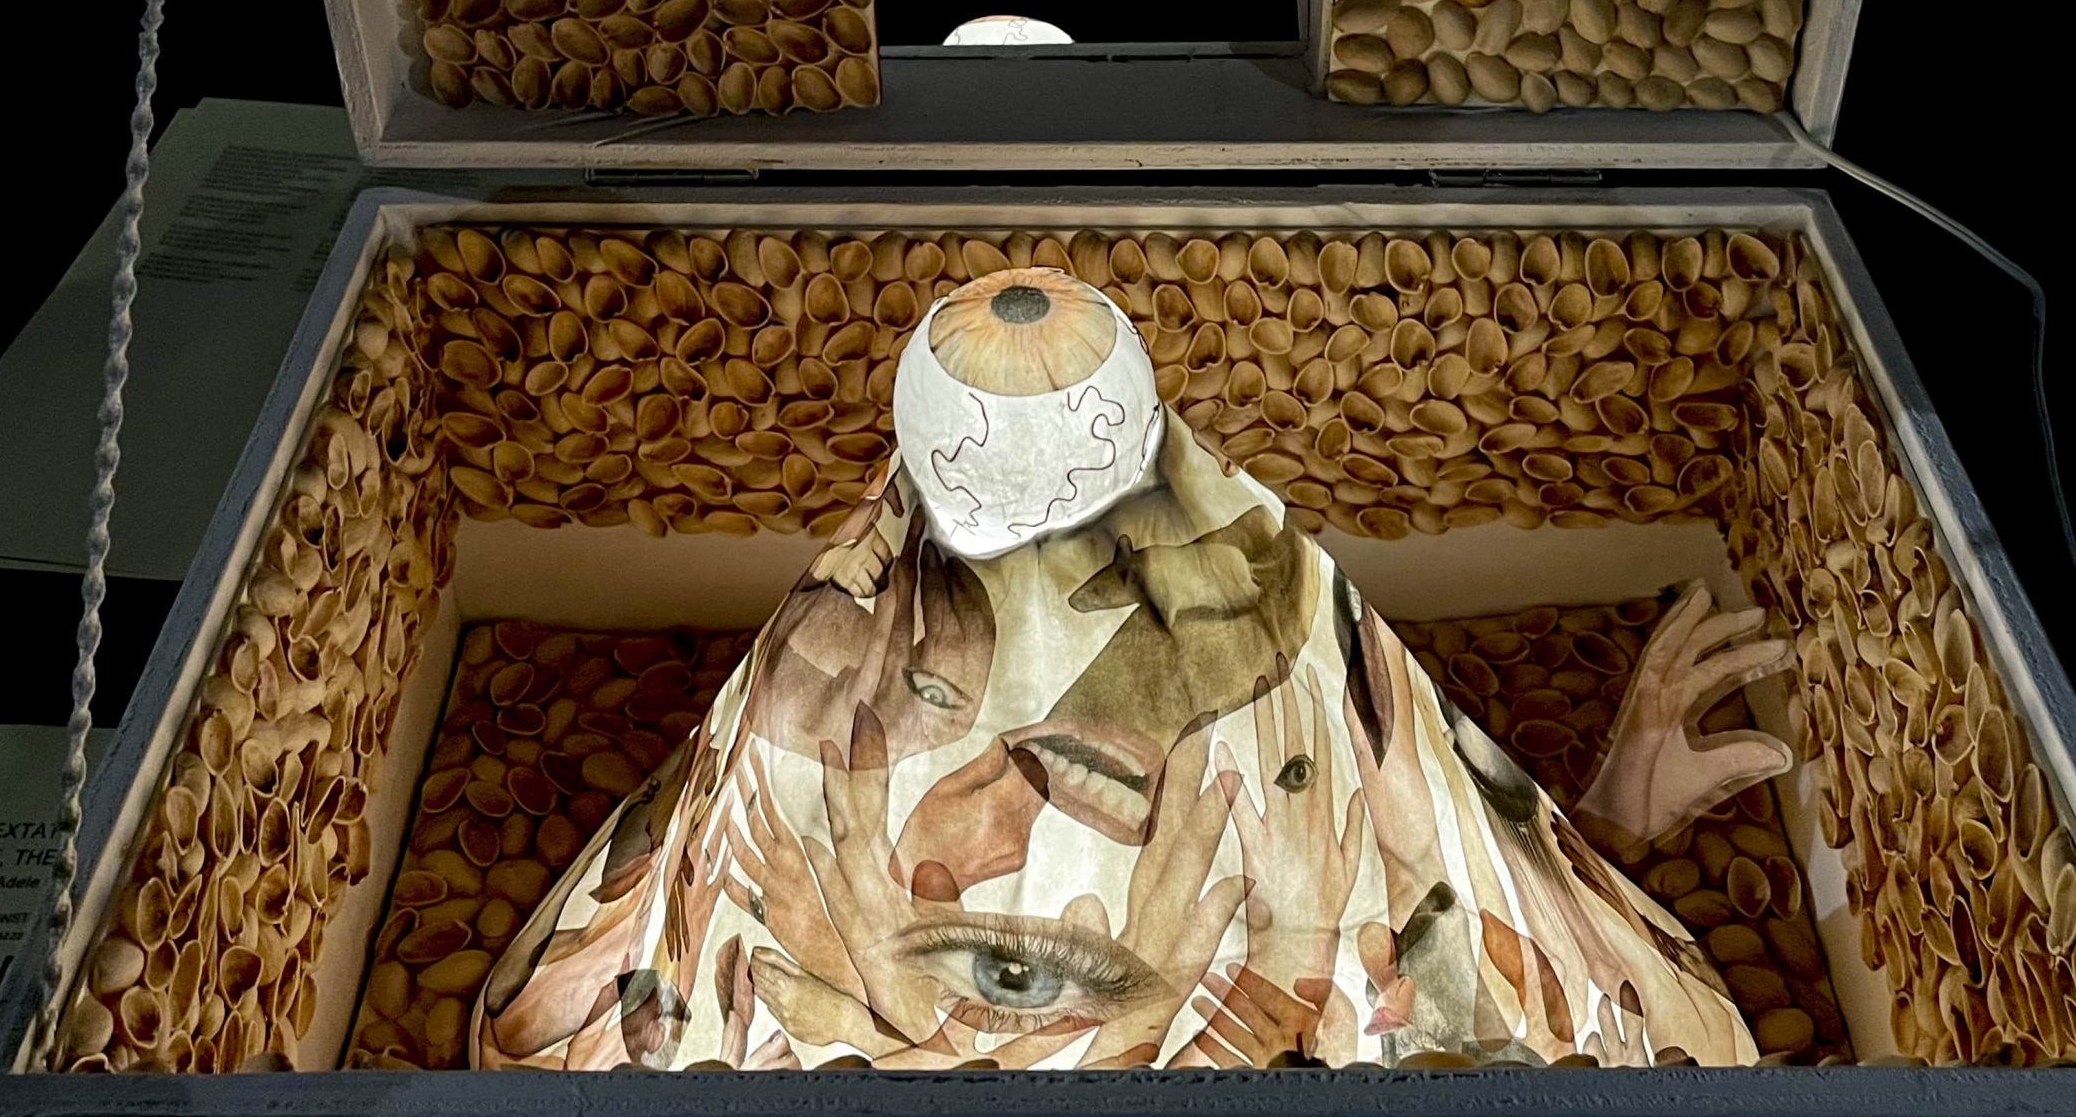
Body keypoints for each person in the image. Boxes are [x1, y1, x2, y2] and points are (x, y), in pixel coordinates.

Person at [474, 268, 1791, 1070]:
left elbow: (1438, 917)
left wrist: (1589, 841)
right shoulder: (805, 723)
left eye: (1091, 773)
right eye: (942, 705)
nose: (991, 830)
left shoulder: (1270, 717)